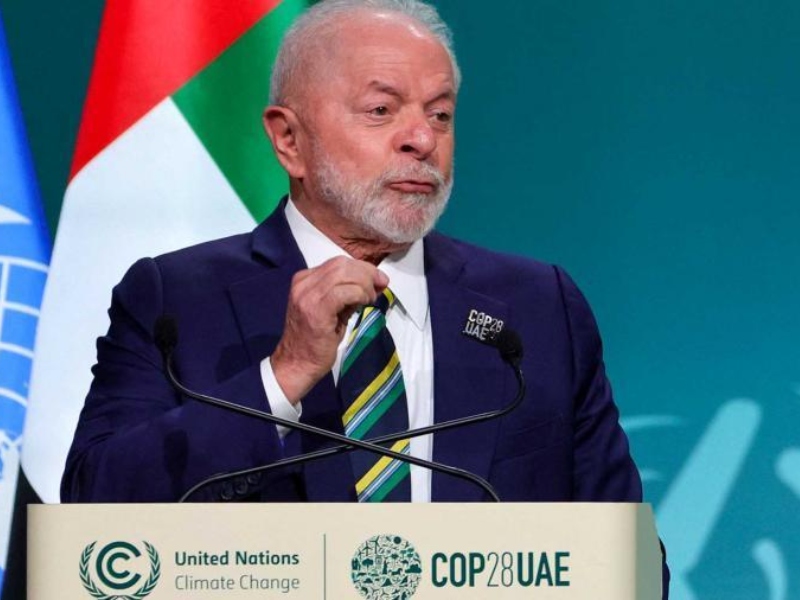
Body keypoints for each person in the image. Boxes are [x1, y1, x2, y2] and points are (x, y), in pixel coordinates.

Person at [62, 0, 667, 594]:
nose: (422, 140)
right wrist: (283, 376)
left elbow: (631, 566)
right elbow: (92, 515)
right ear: (289, 141)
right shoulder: (176, 300)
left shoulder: (538, 308)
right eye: (381, 110)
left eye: (440, 115)